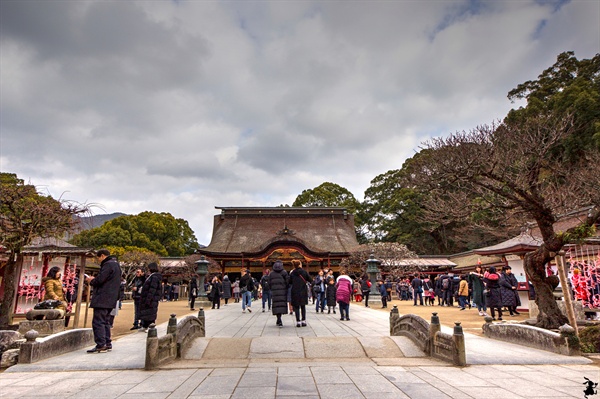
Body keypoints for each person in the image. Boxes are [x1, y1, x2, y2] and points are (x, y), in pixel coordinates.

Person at [85, 249, 122, 353]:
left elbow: (100, 280)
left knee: (98, 322)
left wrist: (91, 280)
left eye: (98, 258)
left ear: (102, 256)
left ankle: (101, 344)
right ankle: (107, 342)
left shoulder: (108, 265)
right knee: (106, 321)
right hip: (111, 298)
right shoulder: (116, 265)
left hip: (103, 297)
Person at [139, 262, 163, 331]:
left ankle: (150, 326)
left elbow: (152, 289)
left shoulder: (154, 277)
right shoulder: (151, 276)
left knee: (150, 312)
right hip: (149, 297)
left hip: (151, 298)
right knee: (147, 312)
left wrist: (149, 298)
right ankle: (145, 325)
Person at [289, 259, 312, 327]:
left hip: (295, 291)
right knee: (303, 306)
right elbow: (310, 280)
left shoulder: (292, 273)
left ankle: (298, 321)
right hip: (303, 291)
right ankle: (303, 320)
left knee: (296, 307)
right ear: (300, 265)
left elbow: (289, 282)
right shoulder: (304, 272)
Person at [267, 260, 289, 327]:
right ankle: (279, 319)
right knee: (281, 305)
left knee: (276, 305)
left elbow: (269, 283)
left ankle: (278, 319)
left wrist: (271, 289)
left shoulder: (271, 273)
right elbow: (287, 281)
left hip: (275, 291)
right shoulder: (284, 272)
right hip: (282, 291)